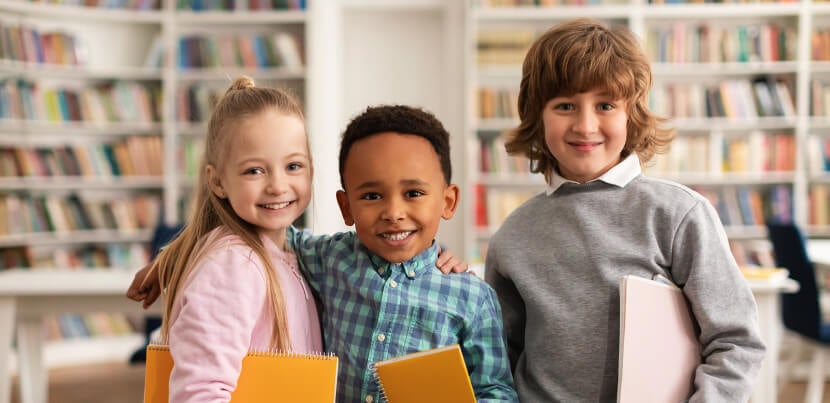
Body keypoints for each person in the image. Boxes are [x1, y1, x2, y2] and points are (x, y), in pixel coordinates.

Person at [129, 105, 518, 402]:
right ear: (346, 207)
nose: (393, 211)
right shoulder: (328, 259)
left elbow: (496, 388)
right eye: (371, 195)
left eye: (413, 193)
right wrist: (174, 255)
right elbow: (265, 234)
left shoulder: (472, 297)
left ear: (448, 201)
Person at [483, 18, 766, 402]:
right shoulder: (513, 234)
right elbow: (502, 359)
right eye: (565, 105)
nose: (585, 125)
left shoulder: (678, 215)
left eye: (605, 105)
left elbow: (736, 341)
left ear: (630, 115)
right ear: (537, 115)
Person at [148, 76, 322, 401]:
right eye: (254, 171)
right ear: (217, 182)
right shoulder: (234, 264)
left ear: (311, 169)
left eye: (293, 166)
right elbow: (198, 393)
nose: (277, 185)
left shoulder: (287, 252)